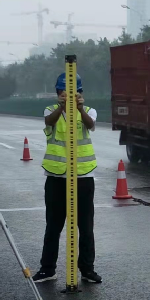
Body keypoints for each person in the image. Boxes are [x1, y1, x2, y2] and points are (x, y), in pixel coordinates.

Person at [32, 73, 102, 284]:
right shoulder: (51, 111)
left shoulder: (89, 111)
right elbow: (48, 121)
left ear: (80, 93)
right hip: (56, 176)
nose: (67, 95)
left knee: (86, 226)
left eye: (72, 92)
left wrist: (79, 109)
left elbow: (90, 125)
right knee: (53, 225)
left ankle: (87, 269)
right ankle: (47, 268)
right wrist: (63, 108)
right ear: (57, 94)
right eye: (63, 92)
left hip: (83, 176)